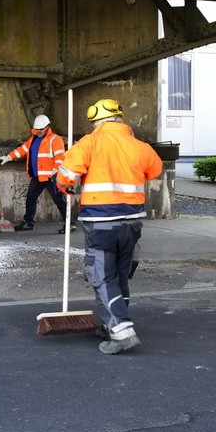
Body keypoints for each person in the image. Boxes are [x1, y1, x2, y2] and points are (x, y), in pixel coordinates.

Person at [56, 99, 162, 355]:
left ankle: (121, 331)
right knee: (119, 275)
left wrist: (64, 184)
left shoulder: (90, 143)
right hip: (132, 223)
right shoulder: (140, 146)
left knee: (102, 276)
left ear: (97, 121)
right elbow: (155, 170)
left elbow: (67, 175)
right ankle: (111, 324)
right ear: (119, 120)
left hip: (101, 222)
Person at [0, 114, 70, 233]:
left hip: (51, 176)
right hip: (38, 176)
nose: (38, 131)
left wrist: (56, 169)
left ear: (47, 127)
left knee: (58, 200)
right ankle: (28, 223)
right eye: (37, 129)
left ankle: (69, 224)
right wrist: (9, 157)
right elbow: (22, 150)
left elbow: (60, 156)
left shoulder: (55, 139)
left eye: (41, 129)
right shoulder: (34, 139)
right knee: (30, 198)